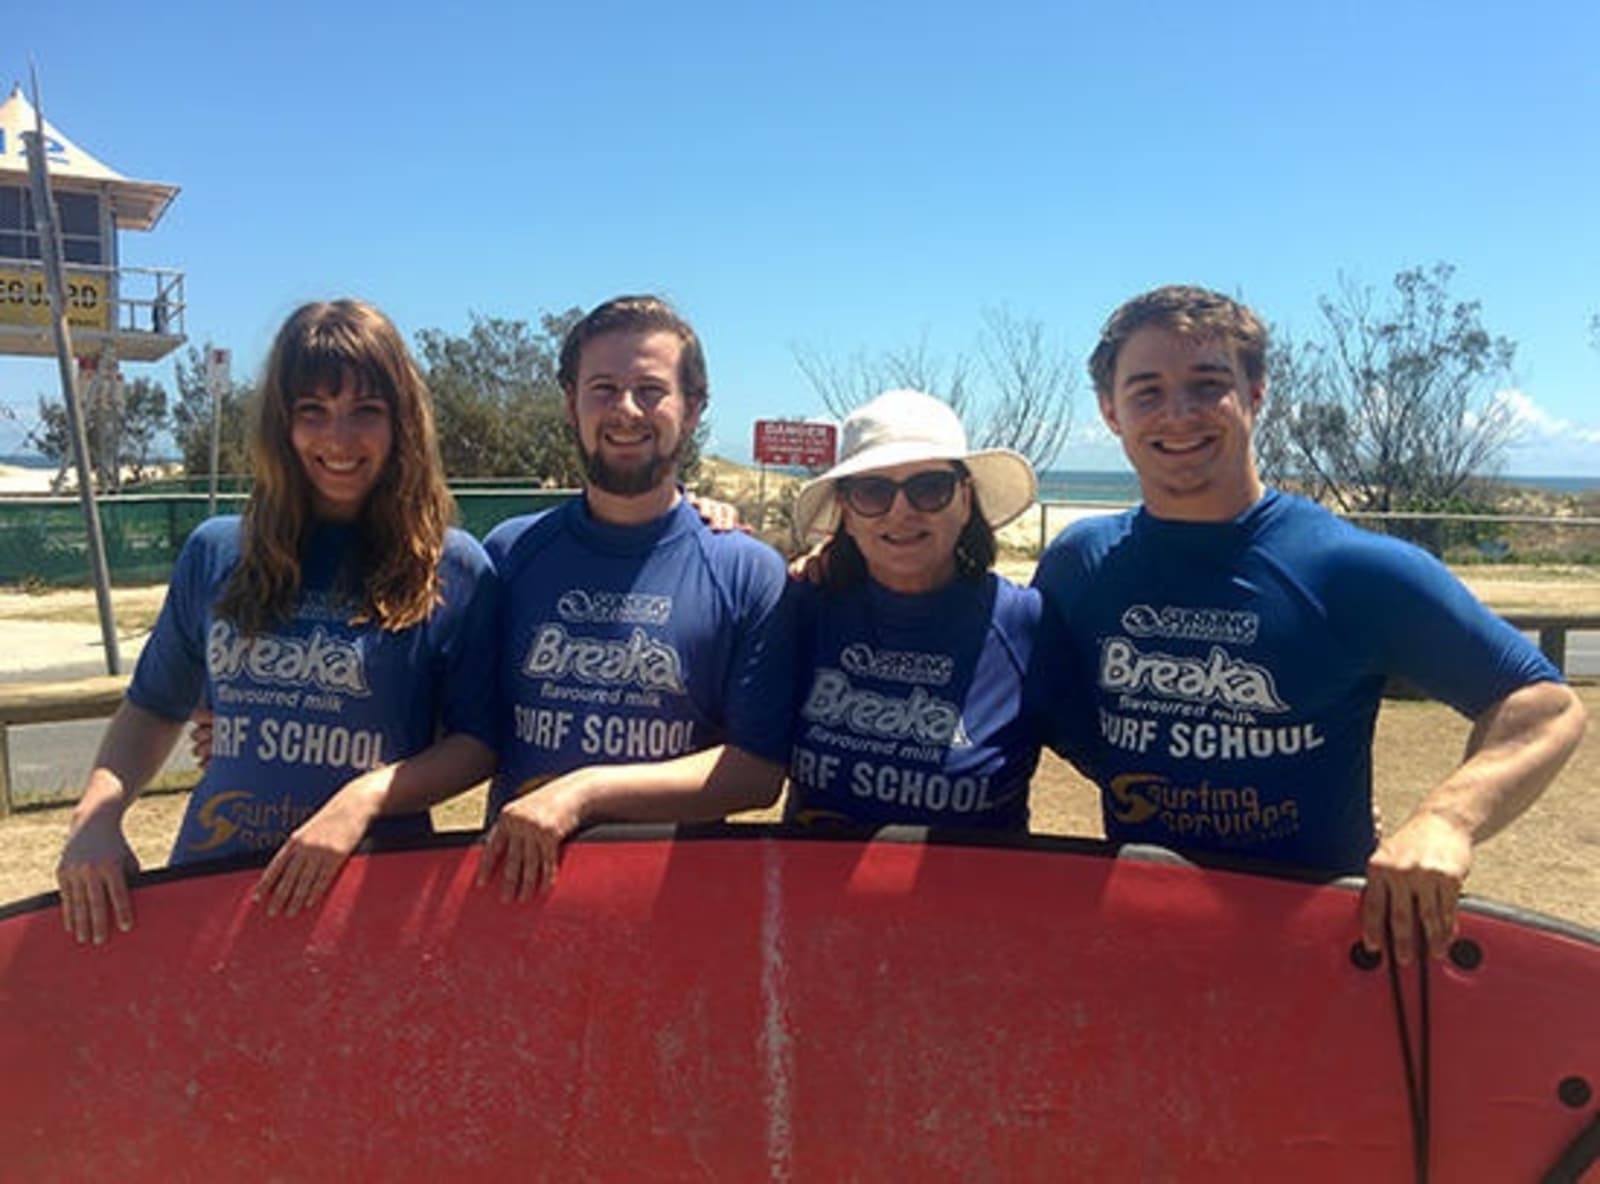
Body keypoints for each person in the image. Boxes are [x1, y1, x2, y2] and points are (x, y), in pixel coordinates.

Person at [1032, 284, 1587, 963]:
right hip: (1148, 940)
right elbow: (1042, 703)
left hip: (1324, 951)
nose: (1178, 414)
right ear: (1110, 412)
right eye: (1146, 391)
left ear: (1257, 393)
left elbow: (1545, 706)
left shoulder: (1353, 569)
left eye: (1208, 384)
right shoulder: (1078, 564)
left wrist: (1446, 819)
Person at [55, 300, 500, 944]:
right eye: (311, 412)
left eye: (365, 412)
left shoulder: (453, 567)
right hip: (211, 887)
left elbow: (477, 744)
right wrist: (96, 816)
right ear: (280, 426)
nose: (338, 440)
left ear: (403, 422)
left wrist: (363, 799)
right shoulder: (215, 550)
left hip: (370, 901)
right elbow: (153, 708)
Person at [476, 295, 792, 899]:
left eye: (651, 390)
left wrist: (584, 790)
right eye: (603, 388)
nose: (626, 410)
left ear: (693, 408)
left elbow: (755, 774)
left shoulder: (749, 572)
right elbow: (467, 731)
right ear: (570, 404)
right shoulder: (510, 554)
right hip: (513, 903)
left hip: (671, 908)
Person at [780, 388, 1049, 829]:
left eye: (929, 488)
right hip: (811, 894)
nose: (901, 512)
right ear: (847, 512)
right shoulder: (801, 610)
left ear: (965, 500)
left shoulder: (1025, 625)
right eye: (872, 491)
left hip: (972, 897)